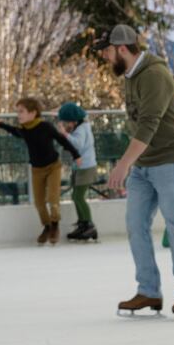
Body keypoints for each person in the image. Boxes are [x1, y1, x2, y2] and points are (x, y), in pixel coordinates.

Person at [101, 25, 174, 318]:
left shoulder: (154, 74)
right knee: (135, 225)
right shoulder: (130, 76)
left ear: (121, 48)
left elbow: (149, 123)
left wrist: (123, 163)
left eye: (106, 51)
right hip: (145, 164)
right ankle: (149, 291)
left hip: (171, 160)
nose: (105, 58)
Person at [0, 96, 80, 245]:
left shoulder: (45, 126)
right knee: (39, 203)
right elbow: (15, 131)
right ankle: (47, 226)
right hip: (37, 170)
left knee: (53, 199)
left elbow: (61, 140)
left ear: (33, 113)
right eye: (18, 112)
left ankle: (55, 225)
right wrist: (1, 124)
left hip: (53, 167)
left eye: (21, 111)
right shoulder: (24, 130)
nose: (18, 115)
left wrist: (76, 155)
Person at [58, 102, 99, 241]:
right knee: (76, 195)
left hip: (86, 167)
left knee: (78, 196)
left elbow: (78, 145)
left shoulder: (81, 129)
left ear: (74, 121)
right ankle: (82, 224)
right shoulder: (80, 127)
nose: (65, 126)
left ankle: (89, 225)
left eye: (66, 123)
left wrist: (64, 134)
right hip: (80, 167)